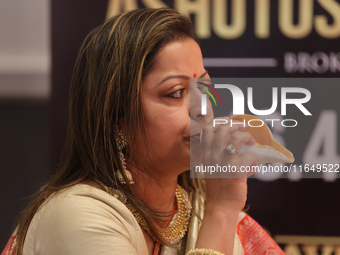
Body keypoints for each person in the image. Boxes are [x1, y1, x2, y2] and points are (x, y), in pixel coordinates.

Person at [2, 8, 285, 255]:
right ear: (117, 117)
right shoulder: (76, 217)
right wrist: (221, 210)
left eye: (205, 87)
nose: (203, 109)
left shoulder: (197, 205)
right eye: (176, 93)